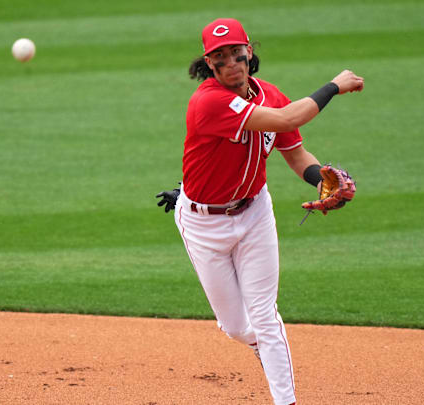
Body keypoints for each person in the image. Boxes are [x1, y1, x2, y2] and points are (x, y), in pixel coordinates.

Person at [155, 18, 363, 405]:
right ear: (209, 63)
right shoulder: (209, 101)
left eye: (236, 53)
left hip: (254, 215)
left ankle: (285, 399)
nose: (231, 62)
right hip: (202, 225)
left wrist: (320, 178)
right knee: (235, 327)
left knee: (266, 317)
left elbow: (297, 154)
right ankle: (265, 345)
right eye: (220, 57)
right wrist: (335, 86)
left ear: (249, 52)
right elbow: (288, 120)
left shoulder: (269, 94)